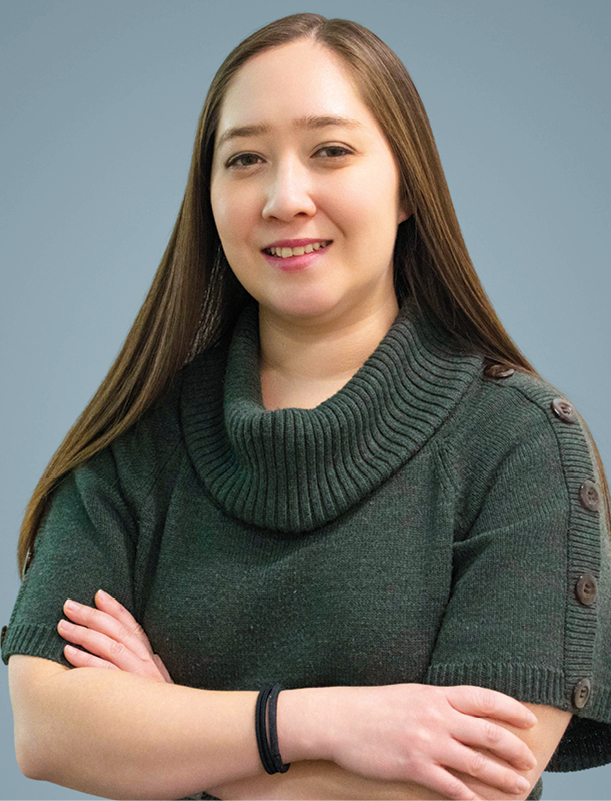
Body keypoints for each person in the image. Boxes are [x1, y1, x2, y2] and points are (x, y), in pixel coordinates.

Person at [3, 12, 611, 801]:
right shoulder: (135, 440)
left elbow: (473, 780)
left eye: (330, 151)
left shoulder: (520, 443)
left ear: (405, 186)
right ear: (209, 196)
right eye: (245, 159)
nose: (285, 197)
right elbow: (49, 732)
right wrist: (323, 725)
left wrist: (170, 726)